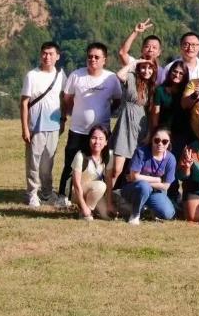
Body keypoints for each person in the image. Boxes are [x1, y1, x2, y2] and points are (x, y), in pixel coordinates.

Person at [58, 42, 122, 203]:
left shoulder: (111, 78)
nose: (92, 59)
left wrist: (103, 114)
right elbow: (67, 99)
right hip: (78, 130)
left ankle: (100, 196)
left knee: (103, 165)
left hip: (102, 133)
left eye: (96, 57)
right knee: (70, 163)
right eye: (90, 56)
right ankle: (63, 196)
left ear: (104, 60)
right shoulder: (76, 75)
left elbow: (117, 100)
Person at [106, 58, 156, 214]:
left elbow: (152, 113)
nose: (146, 71)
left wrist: (150, 133)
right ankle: (107, 202)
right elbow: (119, 75)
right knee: (116, 170)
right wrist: (135, 63)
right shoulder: (132, 77)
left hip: (141, 129)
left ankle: (131, 204)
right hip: (125, 127)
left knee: (135, 171)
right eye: (143, 67)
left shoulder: (153, 87)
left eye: (150, 68)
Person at [19, 41, 64, 207]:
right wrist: (25, 128)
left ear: (57, 56)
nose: (47, 57)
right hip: (35, 126)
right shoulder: (32, 75)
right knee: (33, 161)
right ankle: (32, 193)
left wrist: (63, 119)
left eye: (51, 54)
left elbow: (63, 98)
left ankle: (46, 192)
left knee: (48, 162)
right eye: (44, 53)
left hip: (53, 126)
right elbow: (24, 103)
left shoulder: (60, 75)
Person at [123, 127, 177, 225]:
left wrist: (141, 179)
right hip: (134, 189)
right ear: (151, 140)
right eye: (157, 140)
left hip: (155, 192)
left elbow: (166, 186)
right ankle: (135, 215)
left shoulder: (171, 159)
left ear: (169, 143)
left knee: (168, 214)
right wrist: (157, 179)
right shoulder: (141, 152)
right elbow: (134, 177)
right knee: (143, 186)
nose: (160, 144)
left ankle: (145, 209)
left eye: (165, 141)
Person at [71, 126, 113, 221]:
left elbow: (109, 180)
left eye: (101, 139)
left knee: (106, 216)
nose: (97, 142)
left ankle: (89, 210)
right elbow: (76, 184)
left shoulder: (109, 156)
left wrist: (109, 203)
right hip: (77, 192)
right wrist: (84, 207)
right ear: (89, 139)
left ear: (106, 142)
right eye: (94, 138)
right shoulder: (80, 156)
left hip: (95, 191)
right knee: (101, 186)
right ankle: (84, 212)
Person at [152, 62, 192, 149]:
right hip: (164, 132)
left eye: (181, 73)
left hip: (181, 133)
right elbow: (156, 113)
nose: (177, 75)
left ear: (185, 76)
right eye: (175, 71)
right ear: (170, 72)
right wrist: (154, 132)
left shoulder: (187, 92)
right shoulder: (160, 90)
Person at [117, 18, 165, 83]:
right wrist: (135, 32)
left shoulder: (162, 73)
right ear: (142, 49)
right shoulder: (134, 64)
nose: (150, 50)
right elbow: (122, 53)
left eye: (154, 48)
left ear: (159, 52)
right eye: (147, 47)